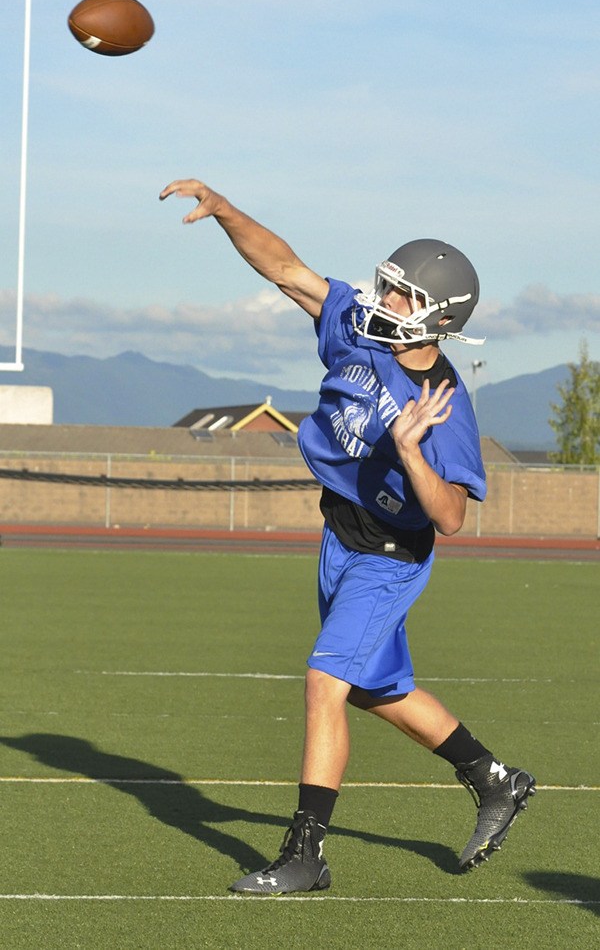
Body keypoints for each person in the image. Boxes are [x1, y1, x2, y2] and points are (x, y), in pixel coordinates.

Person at [160, 178, 536, 895]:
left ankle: (306, 854)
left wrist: (413, 450)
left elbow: (452, 516)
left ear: (436, 319)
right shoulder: (359, 329)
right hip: (341, 535)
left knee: (326, 682)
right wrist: (228, 213)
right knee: (374, 687)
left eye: (402, 297)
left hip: (389, 556)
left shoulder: (442, 408)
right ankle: (495, 779)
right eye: (387, 286)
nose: (384, 301)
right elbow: (287, 270)